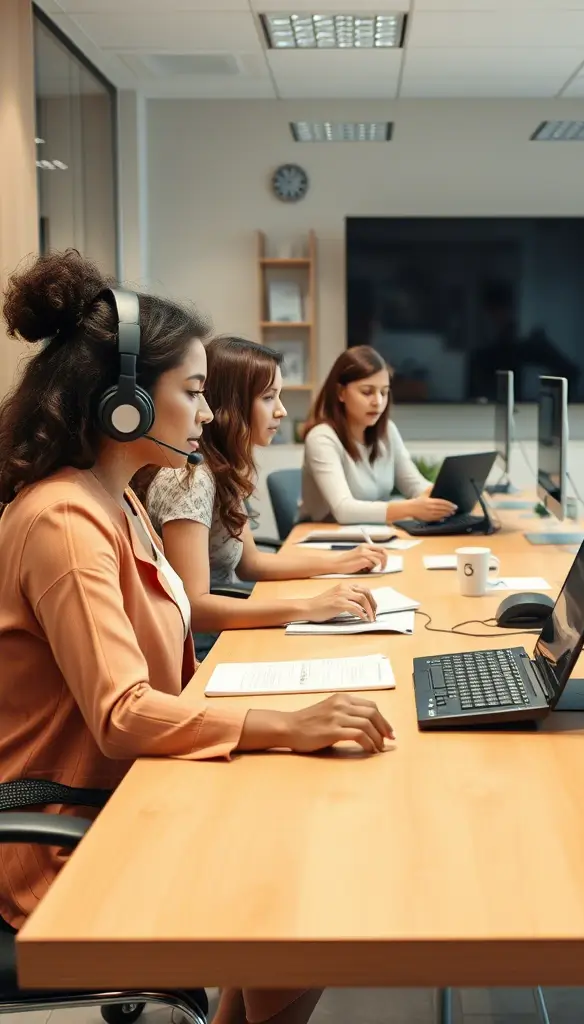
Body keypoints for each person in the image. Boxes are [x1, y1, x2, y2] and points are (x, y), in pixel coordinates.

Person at [0, 251, 394, 1024]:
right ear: (123, 403)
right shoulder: (65, 522)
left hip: (136, 794)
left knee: (296, 853)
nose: (209, 414)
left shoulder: (115, 502)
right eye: (193, 392)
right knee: (301, 895)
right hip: (71, 834)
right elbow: (121, 715)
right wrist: (286, 723)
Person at [139, 336, 388, 658]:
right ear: (231, 404)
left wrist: (343, 561)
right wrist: (309, 606)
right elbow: (195, 609)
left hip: (225, 629)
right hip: (199, 649)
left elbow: (252, 565)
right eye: (269, 397)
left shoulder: (221, 469)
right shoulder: (190, 479)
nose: (282, 411)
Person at [300, 345, 457, 525]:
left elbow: (415, 485)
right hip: (322, 541)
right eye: (367, 392)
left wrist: (445, 497)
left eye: (384, 392)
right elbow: (344, 510)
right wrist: (411, 508)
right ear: (341, 393)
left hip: (371, 537)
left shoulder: (388, 431)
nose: (378, 402)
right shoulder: (322, 438)